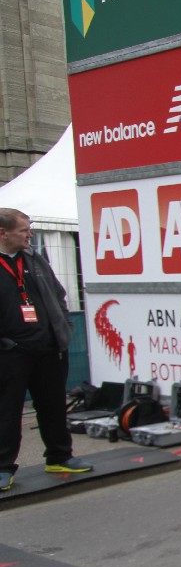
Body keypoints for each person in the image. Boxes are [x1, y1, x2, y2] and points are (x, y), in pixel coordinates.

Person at [0, 208, 91, 491]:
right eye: (23, 231)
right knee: (7, 411)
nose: (29, 235)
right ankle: (3, 468)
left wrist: (63, 327)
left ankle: (60, 457)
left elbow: (58, 293)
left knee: (53, 406)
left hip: (49, 348)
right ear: (3, 233)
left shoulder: (34, 259)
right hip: (10, 353)